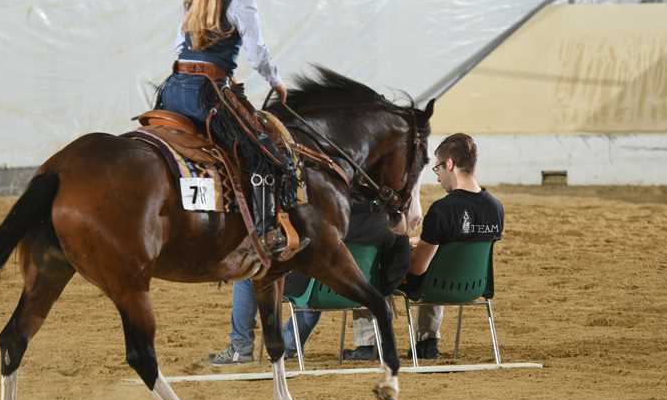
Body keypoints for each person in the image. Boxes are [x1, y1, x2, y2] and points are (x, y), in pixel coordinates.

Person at [155, 0, 307, 262]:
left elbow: (179, 47)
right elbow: (256, 54)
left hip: (174, 90)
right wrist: (276, 82)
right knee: (265, 153)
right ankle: (267, 233)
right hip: (207, 94)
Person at [209, 201, 412, 366]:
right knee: (315, 284)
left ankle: (241, 348)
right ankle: (289, 344)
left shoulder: (321, 218)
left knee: (250, 274)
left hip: (314, 289)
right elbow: (400, 260)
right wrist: (380, 290)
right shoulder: (385, 224)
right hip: (356, 293)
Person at [400, 132, 504, 359]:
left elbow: (417, 267)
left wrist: (399, 249)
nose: (438, 178)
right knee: (438, 264)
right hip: (476, 287)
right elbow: (461, 239)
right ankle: (428, 343)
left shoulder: (442, 209)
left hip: (435, 287)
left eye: (438, 169)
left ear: (449, 164)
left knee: (385, 266)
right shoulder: (496, 207)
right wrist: (420, 241)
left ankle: (372, 345)